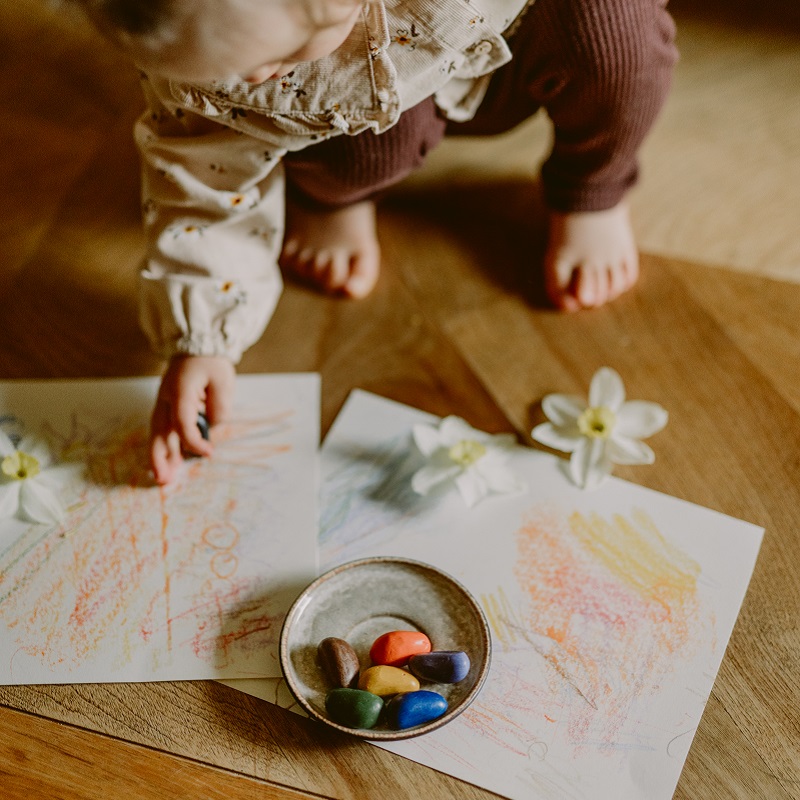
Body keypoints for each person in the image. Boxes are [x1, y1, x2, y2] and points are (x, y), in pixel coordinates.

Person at [71, 0, 677, 484]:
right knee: (329, 131)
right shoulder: (237, 71)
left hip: (523, 38)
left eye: (266, 58)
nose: (250, 79)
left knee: (613, 35)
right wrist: (203, 338)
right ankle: (337, 197)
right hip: (354, 107)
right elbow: (202, 175)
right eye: (219, 72)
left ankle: (593, 181)